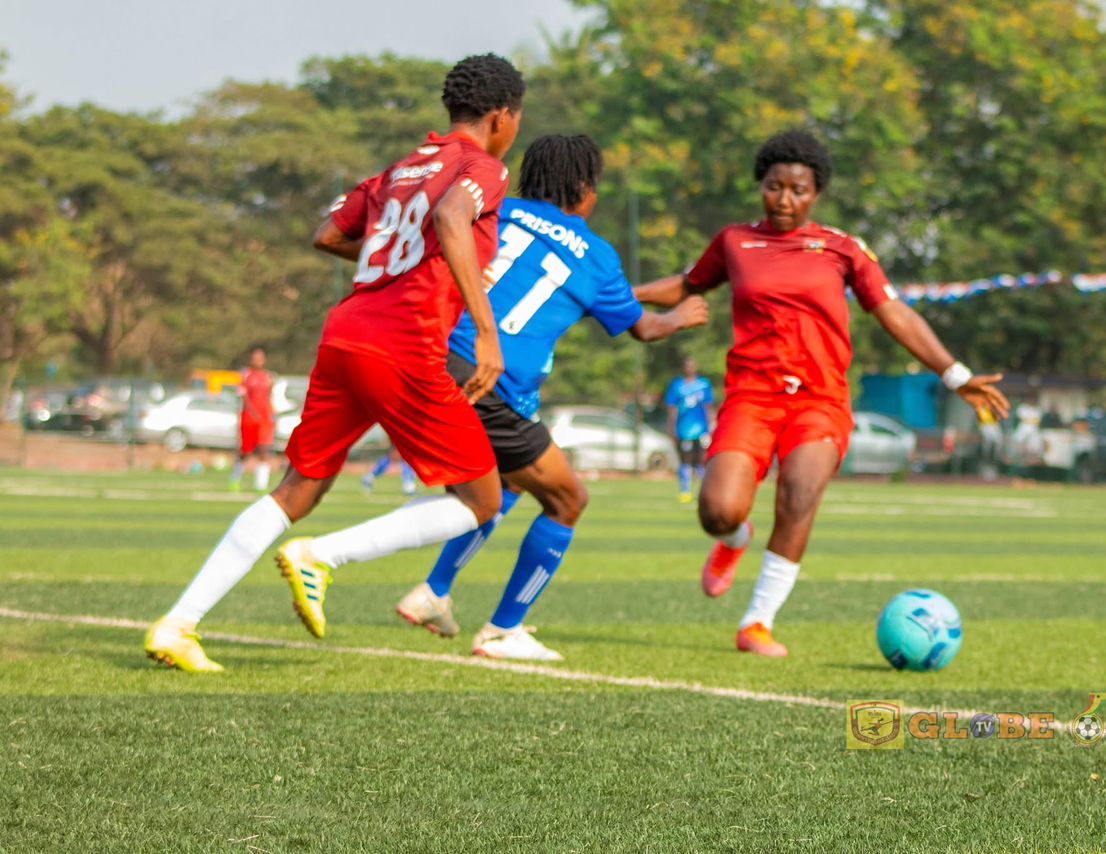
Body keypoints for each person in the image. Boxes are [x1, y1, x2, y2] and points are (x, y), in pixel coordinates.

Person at [144, 54, 526, 672]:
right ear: (501, 117)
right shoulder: (484, 165)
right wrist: (486, 331)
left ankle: (178, 625)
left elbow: (326, 232)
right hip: (406, 342)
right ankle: (323, 557)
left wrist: (392, 259)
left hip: (346, 335)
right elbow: (454, 215)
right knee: (482, 500)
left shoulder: (400, 168)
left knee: (298, 487)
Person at [633, 130, 1009, 657]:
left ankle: (757, 623)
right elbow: (688, 284)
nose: (785, 200)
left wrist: (953, 372)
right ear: (760, 186)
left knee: (800, 495)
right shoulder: (735, 242)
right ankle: (734, 542)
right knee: (717, 511)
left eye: (798, 190)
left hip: (819, 401)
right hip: (752, 397)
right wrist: (619, 297)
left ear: (816, 194)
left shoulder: (842, 248)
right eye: (774, 187)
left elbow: (893, 311)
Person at [367, 134, 705, 660]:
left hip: (431, 357)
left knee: (504, 487)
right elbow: (644, 327)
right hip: (492, 384)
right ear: (584, 189)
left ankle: (433, 592)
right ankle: (503, 629)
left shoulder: (496, 210)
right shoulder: (595, 255)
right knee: (568, 499)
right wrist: (681, 318)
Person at [665, 357, 715, 503]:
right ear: (684, 367)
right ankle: (685, 490)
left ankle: (703, 491)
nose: (689, 367)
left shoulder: (704, 384)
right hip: (684, 429)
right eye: (687, 365)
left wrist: (711, 426)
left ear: (696, 366)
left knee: (702, 459)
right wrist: (672, 428)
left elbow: (708, 407)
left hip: (702, 429)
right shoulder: (677, 385)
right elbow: (672, 409)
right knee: (685, 460)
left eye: (692, 365)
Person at [229, 345, 275, 493]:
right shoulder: (246, 375)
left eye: (260, 358)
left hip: (265, 420)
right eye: (255, 358)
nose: (258, 361)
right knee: (246, 451)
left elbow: (269, 397)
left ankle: (261, 485)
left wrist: (270, 412)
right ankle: (235, 479)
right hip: (249, 419)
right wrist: (252, 412)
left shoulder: (269, 377)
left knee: (264, 450)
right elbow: (243, 395)